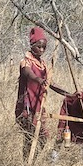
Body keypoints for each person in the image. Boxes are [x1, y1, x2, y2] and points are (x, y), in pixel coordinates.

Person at [15, 26, 70, 158]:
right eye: (38, 46)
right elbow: (28, 73)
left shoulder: (43, 64)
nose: (41, 50)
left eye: (44, 47)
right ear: (32, 45)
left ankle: (31, 162)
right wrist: (38, 79)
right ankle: (26, 165)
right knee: (30, 137)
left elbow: (50, 83)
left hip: (39, 105)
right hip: (27, 106)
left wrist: (68, 94)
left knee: (42, 137)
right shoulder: (26, 61)